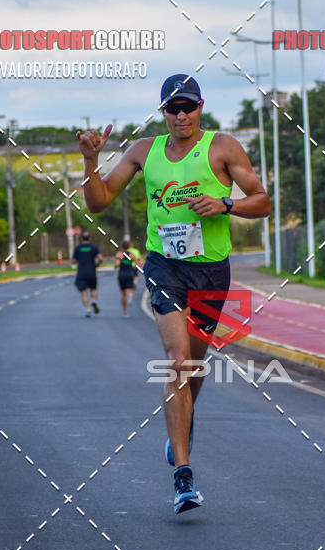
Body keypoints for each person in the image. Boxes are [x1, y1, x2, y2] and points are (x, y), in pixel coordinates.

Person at [77, 74, 270, 513]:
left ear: (201, 107)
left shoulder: (222, 147)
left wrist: (226, 205)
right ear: (162, 111)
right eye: (172, 108)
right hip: (164, 264)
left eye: (188, 107)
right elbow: (98, 201)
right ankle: (183, 475)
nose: (180, 115)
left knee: (195, 366)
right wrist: (91, 160)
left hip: (210, 270)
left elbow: (261, 200)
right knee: (178, 360)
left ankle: (180, 425)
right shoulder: (143, 151)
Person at [72, 232, 102, 317]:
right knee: (93, 288)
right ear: (90, 238)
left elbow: (74, 260)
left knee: (84, 292)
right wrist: (97, 264)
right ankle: (94, 301)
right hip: (92, 272)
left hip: (82, 272)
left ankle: (87, 309)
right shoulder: (94, 248)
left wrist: (79, 260)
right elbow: (100, 258)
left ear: (81, 239)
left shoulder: (78, 248)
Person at [115, 239, 136, 316]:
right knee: (130, 289)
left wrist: (116, 265)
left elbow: (117, 264)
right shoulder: (131, 255)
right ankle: (130, 297)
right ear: (129, 246)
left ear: (121, 246)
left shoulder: (119, 254)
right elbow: (136, 264)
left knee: (123, 294)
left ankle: (125, 311)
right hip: (130, 274)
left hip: (122, 274)